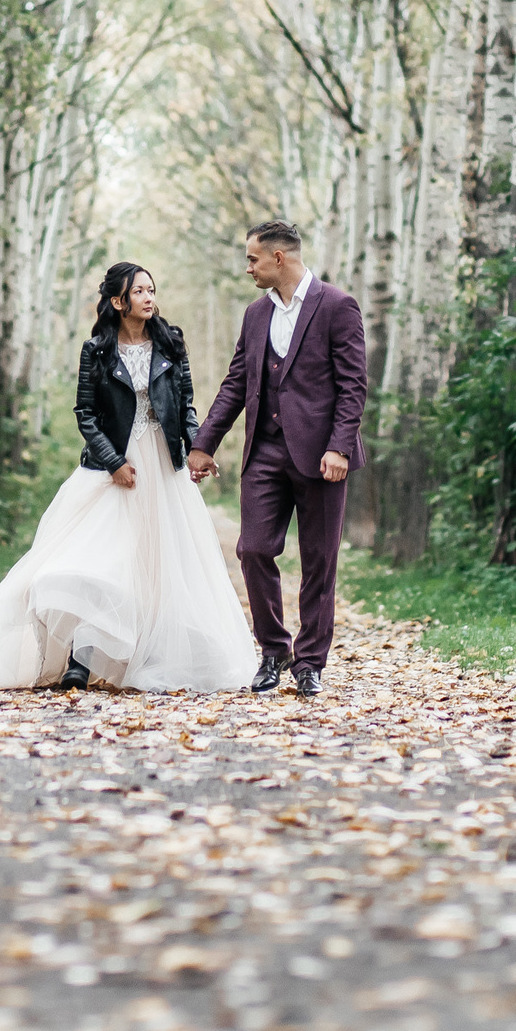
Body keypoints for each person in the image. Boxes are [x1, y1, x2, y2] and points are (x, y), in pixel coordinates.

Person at [0, 263, 260, 692]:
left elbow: (185, 406)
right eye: (139, 291)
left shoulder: (171, 343)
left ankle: (134, 655)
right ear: (118, 301)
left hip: (162, 467)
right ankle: (77, 656)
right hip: (110, 468)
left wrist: (196, 449)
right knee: (91, 558)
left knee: (152, 567)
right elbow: (86, 413)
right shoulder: (96, 350)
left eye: (152, 289)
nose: (149, 298)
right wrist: (114, 462)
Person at [188, 219, 368, 697]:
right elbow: (235, 383)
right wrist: (205, 443)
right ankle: (273, 650)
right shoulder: (254, 315)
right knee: (253, 548)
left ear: (278, 258)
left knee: (319, 561)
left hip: (322, 455)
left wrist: (340, 446)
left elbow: (353, 385)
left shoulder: (337, 306)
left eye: (252, 258)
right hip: (264, 451)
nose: (248, 267)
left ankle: (310, 662)